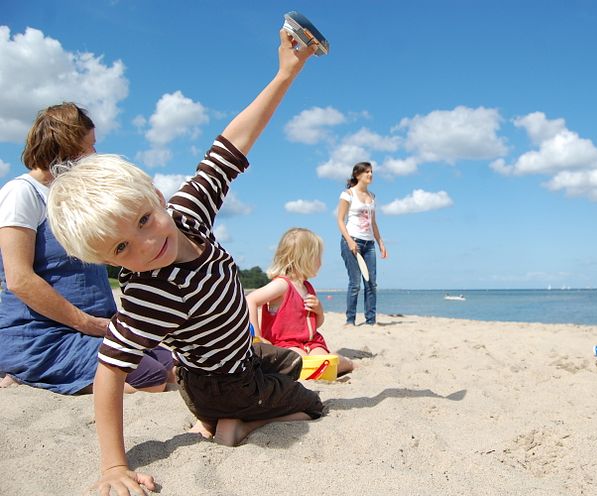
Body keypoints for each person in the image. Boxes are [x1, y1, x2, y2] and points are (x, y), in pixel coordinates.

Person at [46, 30, 323, 494]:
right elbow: (110, 370)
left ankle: (232, 411)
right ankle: (236, 426)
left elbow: (230, 147)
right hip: (220, 385)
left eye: (143, 219)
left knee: (293, 360)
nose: (145, 245)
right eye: (120, 250)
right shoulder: (151, 292)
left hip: (242, 350)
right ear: (105, 262)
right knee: (312, 405)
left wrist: (286, 73)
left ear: (157, 196)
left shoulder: (185, 215)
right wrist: (115, 466)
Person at [0, 103, 174, 394]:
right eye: (89, 146)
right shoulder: (22, 194)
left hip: (95, 329)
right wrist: (87, 323)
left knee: (170, 367)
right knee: (150, 381)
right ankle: (23, 372)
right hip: (42, 333)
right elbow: (19, 279)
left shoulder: (77, 201)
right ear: (65, 146)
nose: (94, 154)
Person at [247, 228, 354, 375]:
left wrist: (319, 311)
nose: (321, 262)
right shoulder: (282, 285)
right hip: (284, 345)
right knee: (300, 362)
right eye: (317, 257)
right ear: (304, 258)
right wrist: (258, 339)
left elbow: (312, 326)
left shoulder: (307, 287)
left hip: (311, 342)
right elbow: (250, 300)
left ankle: (349, 364)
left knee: (325, 361)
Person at [336, 161, 387, 326]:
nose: (370, 174)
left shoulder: (372, 197)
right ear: (358, 175)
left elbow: (373, 223)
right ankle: (350, 320)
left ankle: (371, 321)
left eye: (371, 172)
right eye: (367, 172)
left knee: (371, 283)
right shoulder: (348, 194)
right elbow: (340, 220)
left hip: (369, 244)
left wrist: (381, 243)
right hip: (352, 242)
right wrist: (350, 241)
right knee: (355, 283)